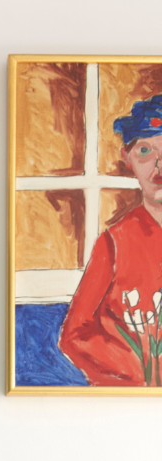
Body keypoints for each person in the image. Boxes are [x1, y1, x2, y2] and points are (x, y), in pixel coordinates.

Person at [59, 95, 162, 385]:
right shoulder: (114, 243)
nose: (159, 166)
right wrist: (139, 371)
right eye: (145, 150)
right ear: (127, 158)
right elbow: (74, 336)